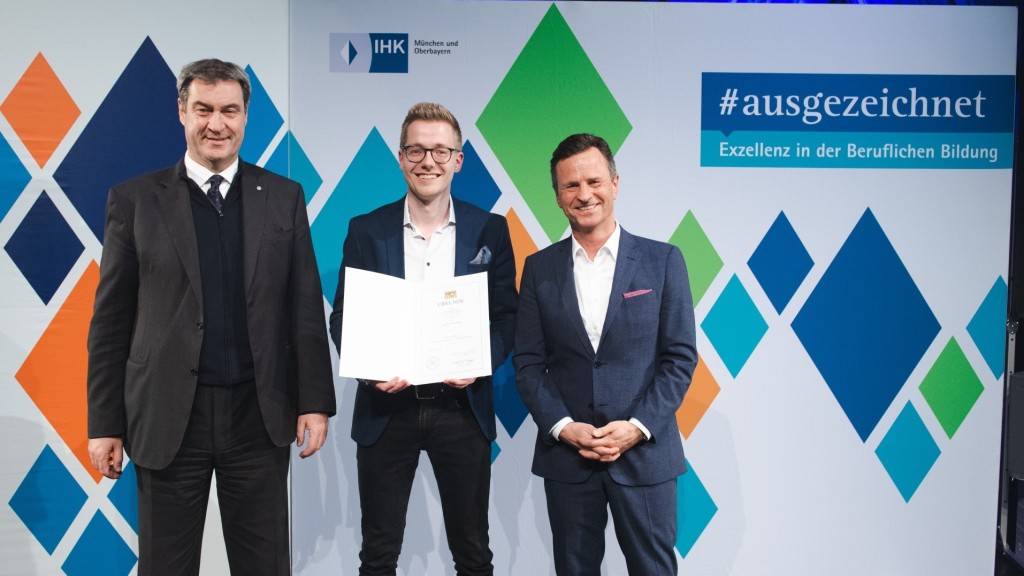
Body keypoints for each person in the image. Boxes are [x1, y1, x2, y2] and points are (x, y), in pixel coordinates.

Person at [86, 58, 336, 576]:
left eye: (229, 110)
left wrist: (314, 401)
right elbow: (111, 323)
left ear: (246, 117)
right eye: (203, 109)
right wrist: (104, 423)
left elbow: (304, 309)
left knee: (264, 566)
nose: (216, 124)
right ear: (182, 111)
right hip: (168, 417)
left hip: (258, 415)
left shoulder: (284, 198)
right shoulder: (134, 201)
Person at [328, 102, 517, 576]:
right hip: (386, 410)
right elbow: (343, 316)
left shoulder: (489, 229)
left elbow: (507, 317)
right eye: (416, 149)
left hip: (461, 408)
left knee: (473, 553)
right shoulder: (366, 230)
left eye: (439, 150)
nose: (427, 161)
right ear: (399, 157)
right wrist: (369, 370)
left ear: (459, 159)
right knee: (378, 554)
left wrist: (479, 361)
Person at [514, 133, 697, 575]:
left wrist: (636, 427)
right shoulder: (539, 269)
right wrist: (563, 427)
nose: (584, 194)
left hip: (645, 456)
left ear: (615, 183)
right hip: (569, 458)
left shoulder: (663, 260)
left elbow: (679, 359)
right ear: (557, 196)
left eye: (593, 181)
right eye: (570, 186)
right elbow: (528, 364)